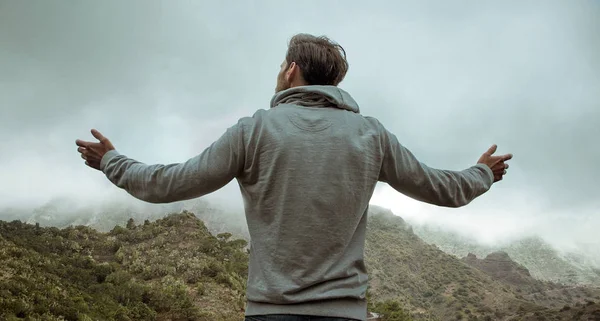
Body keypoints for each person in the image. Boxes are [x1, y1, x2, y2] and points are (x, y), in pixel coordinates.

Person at [76, 33, 512, 321]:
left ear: (290, 71)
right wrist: (482, 174)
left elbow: (169, 184)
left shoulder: (255, 129)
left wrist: (112, 161)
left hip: (270, 312)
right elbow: (442, 189)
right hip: (344, 313)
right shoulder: (371, 134)